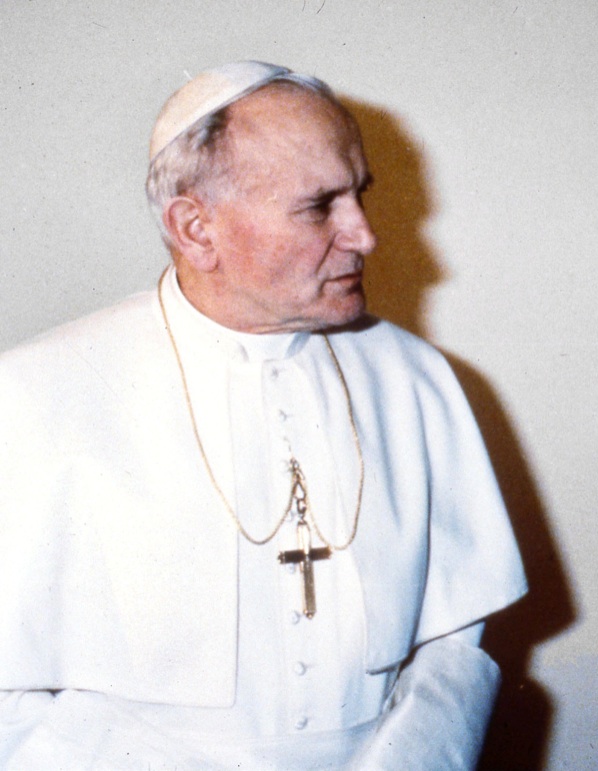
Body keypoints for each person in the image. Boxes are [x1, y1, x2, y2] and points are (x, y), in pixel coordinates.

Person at [0, 61, 526, 769]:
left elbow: (455, 641)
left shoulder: (414, 378)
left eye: (359, 194)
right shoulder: (36, 394)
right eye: (319, 207)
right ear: (196, 229)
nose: (365, 234)